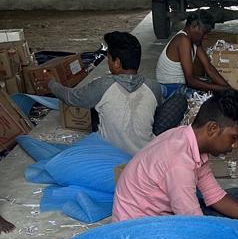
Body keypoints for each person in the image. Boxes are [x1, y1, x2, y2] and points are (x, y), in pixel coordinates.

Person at [113, 88, 238, 231]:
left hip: (165, 214)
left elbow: (214, 195)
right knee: (237, 233)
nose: (235, 146)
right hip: (142, 231)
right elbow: (195, 226)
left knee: (237, 197)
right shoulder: (179, 163)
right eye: (233, 138)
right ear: (212, 128)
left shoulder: (186, 137)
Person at [48, 32, 187, 156]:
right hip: (144, 154)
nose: (108, 62)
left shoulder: (102, 85)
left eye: (109, 59)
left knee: (95, 104)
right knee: (178, 100)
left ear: (117, 63)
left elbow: (71, 97)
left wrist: (51, 83)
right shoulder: (153, 87)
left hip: (110, 154)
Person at [155, 10, 230, 94]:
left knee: (214, 87)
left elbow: (209, 68)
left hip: (180, 84)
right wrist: (223, 89)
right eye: (204, 32)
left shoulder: (195, 40)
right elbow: (190, 81)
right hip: (169, 87)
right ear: (194, 25)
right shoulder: (183, 40)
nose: (205, 37)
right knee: (213, 96)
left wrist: (229, 89)